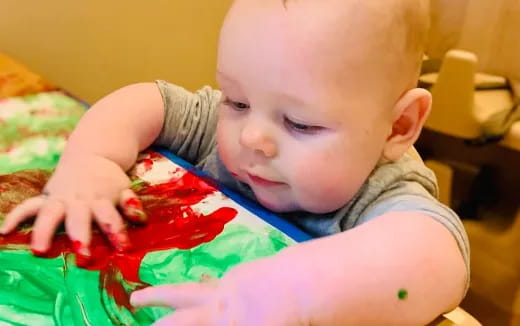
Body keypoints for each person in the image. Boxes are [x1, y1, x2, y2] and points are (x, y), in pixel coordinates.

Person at [1, 0, 469, 324]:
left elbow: (438, 256)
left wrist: (290, 294)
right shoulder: (220, 127)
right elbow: (151, 99)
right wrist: (92, 160)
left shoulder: (382, 192)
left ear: (398, 126)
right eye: (237, 101)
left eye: (300, 123)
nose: (252, 137)